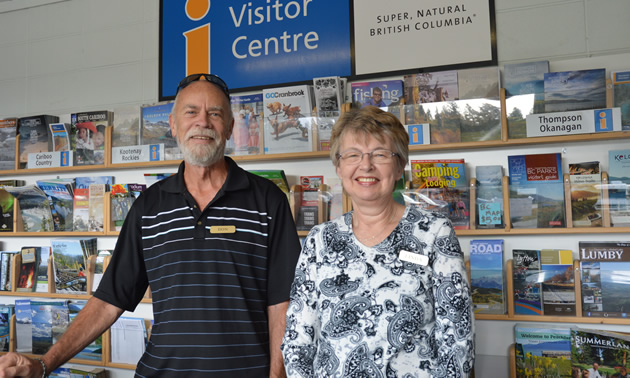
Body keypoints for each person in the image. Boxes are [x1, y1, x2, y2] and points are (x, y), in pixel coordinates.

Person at [0, 73, 301, 377]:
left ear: (230, 127)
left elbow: (283, 303)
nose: (203, 122)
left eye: (215, 113)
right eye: (191, 111)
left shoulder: (268, 201)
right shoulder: (148, 206)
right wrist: (44, 364)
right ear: (173, 125)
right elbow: (108, 301)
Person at [281, 106, 475, 377]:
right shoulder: (319, 240)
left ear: (399, 167)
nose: (366, 165)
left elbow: (457, 336)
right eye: (352, 155)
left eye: (380, 154)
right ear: (339, 166)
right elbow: (298, 338)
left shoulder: (434, 233)